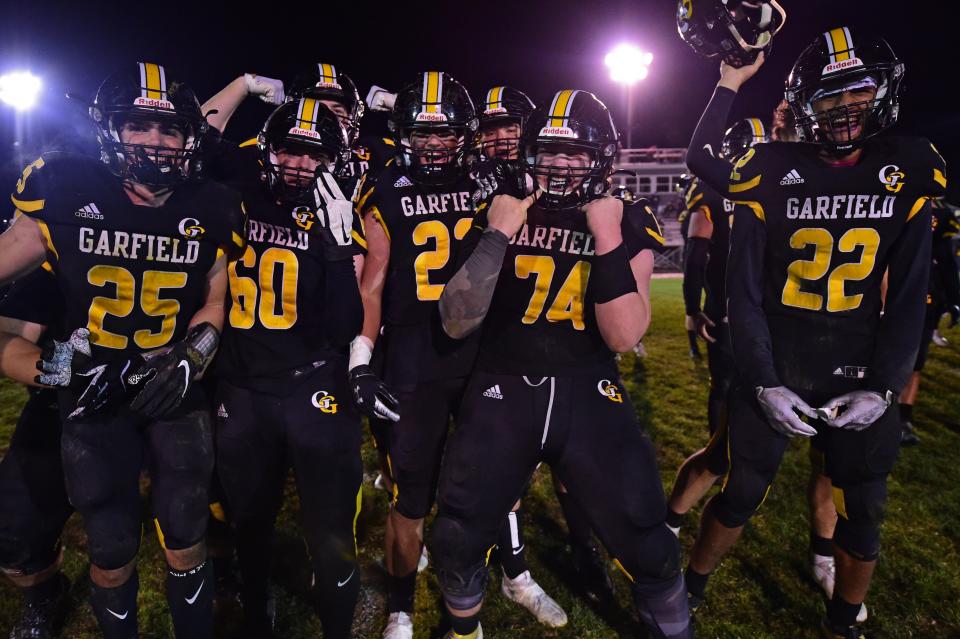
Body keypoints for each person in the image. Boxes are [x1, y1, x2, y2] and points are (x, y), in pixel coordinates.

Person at [685, 28, 946, 638]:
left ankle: (841, 622)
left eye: (859, 89)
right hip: (781, 354)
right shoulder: (768, 166)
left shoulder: (908, 164)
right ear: (806, 105)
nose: (846, 106)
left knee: (866, 513)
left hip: (858, 357)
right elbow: (741, 291)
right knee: (742, 489)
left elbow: (909, 298)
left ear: (883, 90)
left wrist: (884, 387)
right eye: (830, 95)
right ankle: (688, 590)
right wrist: (762, 380)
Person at [432, 89, 691, 639]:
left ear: (601, 157)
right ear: (532, 153)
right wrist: (498, 233)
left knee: (648, 538)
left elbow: (623, 335)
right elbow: (455, 320)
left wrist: (606, 235)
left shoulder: (629, 216)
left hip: (587, 387)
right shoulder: (503, 208)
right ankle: (463, 630)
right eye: (550, 150)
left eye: (576, 153)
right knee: (456, 535)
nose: (561, 163)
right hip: (502, 384)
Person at [0, 61, 247, 638]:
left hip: (171, 382)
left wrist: (198, 349)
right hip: (92, 389)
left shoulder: (212, 203)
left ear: (190, 139)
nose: (155, 142)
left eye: (169, 131)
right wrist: (57, 371)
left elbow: (215, 298)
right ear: (109, 129)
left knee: (186, 523)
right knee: (109, 538)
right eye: (137, 126)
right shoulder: (63, 189)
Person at [208, 97, 365, 638]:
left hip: (313, 385)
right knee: (249, 522)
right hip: (243, 387)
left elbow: (345, 327)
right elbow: (200, 132)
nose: (298, 165)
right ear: (267, 151)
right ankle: (257, 614)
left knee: (330, 528)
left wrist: (341, 249)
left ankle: (338, 628)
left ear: (333, 160)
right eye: (287, 150)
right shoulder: (232, 195)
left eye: (312, 154)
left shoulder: (337, 214)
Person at [349, 71, 486, 639]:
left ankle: (470, 599)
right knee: (410, 495)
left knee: (481, 484)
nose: (432, 143)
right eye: (421, 132)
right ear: (403, 133)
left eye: (444, 132)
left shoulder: (491, 182)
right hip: (413, 355)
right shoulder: (380, 188)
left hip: (481, 355)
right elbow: (373, 284)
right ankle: (401, 605)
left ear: (465, 133)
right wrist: (361, 355)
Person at [0, 270, 72, 639]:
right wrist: (64, 375)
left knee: (208, 500)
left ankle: (219, 572)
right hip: (66, 402)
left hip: (166, 398)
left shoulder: (192, 237)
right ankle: (45, 595)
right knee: (14, 524)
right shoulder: (65, 239)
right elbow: (10, 334)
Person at [898, 197, 960, 444]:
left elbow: (945, 258)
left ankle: (903, 420)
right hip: (887, 294)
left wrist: (954, 298)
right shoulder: (892, 201)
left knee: (915, 363)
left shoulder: (944, 216)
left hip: (925, 297)